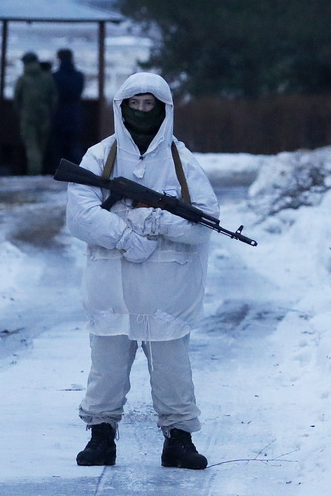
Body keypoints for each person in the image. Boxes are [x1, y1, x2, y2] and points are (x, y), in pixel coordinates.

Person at [63, 71, 216, 471]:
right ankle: (100, 437)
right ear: (122, 107)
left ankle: (179, 440)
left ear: (164, 108)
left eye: (151, 105)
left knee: (173, 373)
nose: (143, 112)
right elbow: (80, 215)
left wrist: (159, 221)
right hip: (110, 289)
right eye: (136, 104)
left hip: (168, 291)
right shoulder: (101, 156)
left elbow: (205, 223)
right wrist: (125, 236)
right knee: (106, 370)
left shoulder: (182, 161)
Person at [12, 52, 58, 176]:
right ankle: (39, 170)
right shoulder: (47, 78)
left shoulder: (23, 79)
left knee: (31, 146)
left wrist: (21, 112)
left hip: (27, 116)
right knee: (41, 146)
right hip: (44, 116)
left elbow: (17, 98)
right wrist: (48, 111)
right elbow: (54, 98)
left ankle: (34, 172)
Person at [50, 47, 86, 164]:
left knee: (58, 145)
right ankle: (80, 170)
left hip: (59, 114)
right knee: (74, 144)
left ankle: (58, 170)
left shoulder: (55, 77)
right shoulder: (79, 76)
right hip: (75, 113)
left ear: (59, 59)